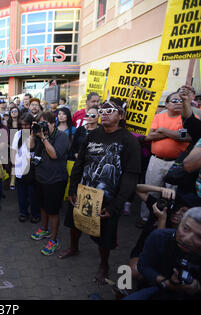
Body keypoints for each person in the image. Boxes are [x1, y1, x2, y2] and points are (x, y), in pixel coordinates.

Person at [60, 97, 141, 284]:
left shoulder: (129, 141)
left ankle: (104, 265)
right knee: (74, 224)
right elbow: (79, 164)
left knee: (105, 237)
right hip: (84, 192)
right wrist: (73, 190)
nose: (104, 114)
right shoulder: (93, 135)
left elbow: (131, 177)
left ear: (121, 115)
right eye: (102, 111)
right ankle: (74, 248)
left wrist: (116, 206)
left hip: (108, 199)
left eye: (109, 111)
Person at [124, 207, 201, 300]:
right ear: (180, 223)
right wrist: (166, 282)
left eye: (199, 237)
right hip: (159, 288)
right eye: (185, 229)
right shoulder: (159, 237)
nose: (187, 239)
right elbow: (143, 266)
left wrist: (196, 287)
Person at [140, 91, 191, 223]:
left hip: (176, 163)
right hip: (156, 161)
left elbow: (187, 137)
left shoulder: (187, 118)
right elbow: (150, 137)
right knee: (151, 190)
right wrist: (176, 134)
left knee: (172, 193)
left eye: (181, 100)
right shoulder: (159, 117)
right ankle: (146, 218)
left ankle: (168, 220)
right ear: (167, 104)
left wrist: (163, 130)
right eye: (174, 101)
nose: (179, 103)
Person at [129, 184, 189, 282]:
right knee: (134, 272)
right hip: (142, 251)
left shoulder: (187, 232)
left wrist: (162, 220)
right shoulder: (159, 208)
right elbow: (138, 189)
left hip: (163, 260)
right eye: (177, 208)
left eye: (184, 211)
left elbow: (159, 249)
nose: (177, 213)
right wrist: (161, 189)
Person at [29, 111, 69, 255]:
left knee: (52, 210)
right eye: (40, 123)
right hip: (41, 176)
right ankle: (44, 230)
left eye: (45, 123)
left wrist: (44, 138)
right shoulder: (39, 134)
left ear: (53, 122)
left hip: (55, 179)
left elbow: (53, 155)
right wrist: (33, 134)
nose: (43, 126)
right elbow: (30, 147)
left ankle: (53, 239)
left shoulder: (62, 136)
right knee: (43, 206)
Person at [11, 113, 40, 223]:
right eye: (22, 125)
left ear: (31, 124)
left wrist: (32, 135)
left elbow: (31, 148)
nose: (24, 127)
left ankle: (35, 214)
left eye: (26, 125)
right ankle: (23, 212)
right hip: (20, 168)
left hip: (33, 169)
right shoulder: (18, 134)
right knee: (21, 194)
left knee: (33, 194)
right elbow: (13, 150)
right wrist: (13, 164)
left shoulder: (37, 135)